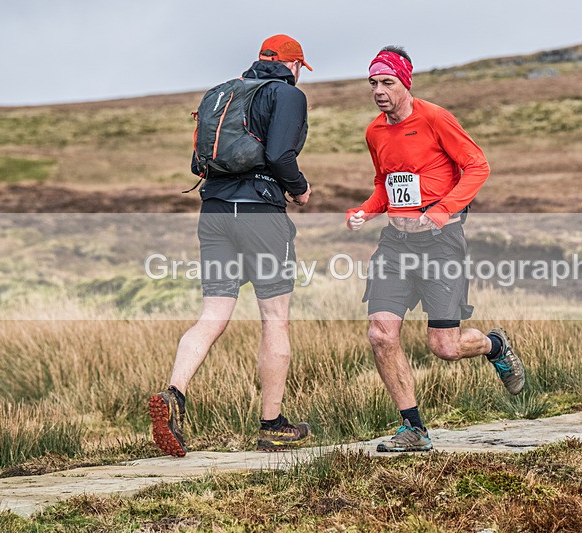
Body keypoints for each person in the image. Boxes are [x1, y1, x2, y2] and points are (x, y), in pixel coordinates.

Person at [345, 46, 526, 453]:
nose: (378, 91)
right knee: (380, 334)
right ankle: (413, 428)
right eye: (373, 83)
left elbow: (478, 166)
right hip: (395, 244)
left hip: (441, 244)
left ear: (405, 83)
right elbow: (383, 184)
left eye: (387, 82)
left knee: (445, 346)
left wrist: (443, 211)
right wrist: (365, 211)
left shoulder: (435, 118)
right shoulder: (375, 132)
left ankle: (495, 345)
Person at [148, 34, 313, 456]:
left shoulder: (224, 93)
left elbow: (198, 162)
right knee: (274, 319)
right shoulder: (287, 94)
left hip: (215, 211)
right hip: (259, 213)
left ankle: (174, 394)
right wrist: (299, 189)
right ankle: (272, 426)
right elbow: (280, 156)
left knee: (212, 315)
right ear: (295, 65)